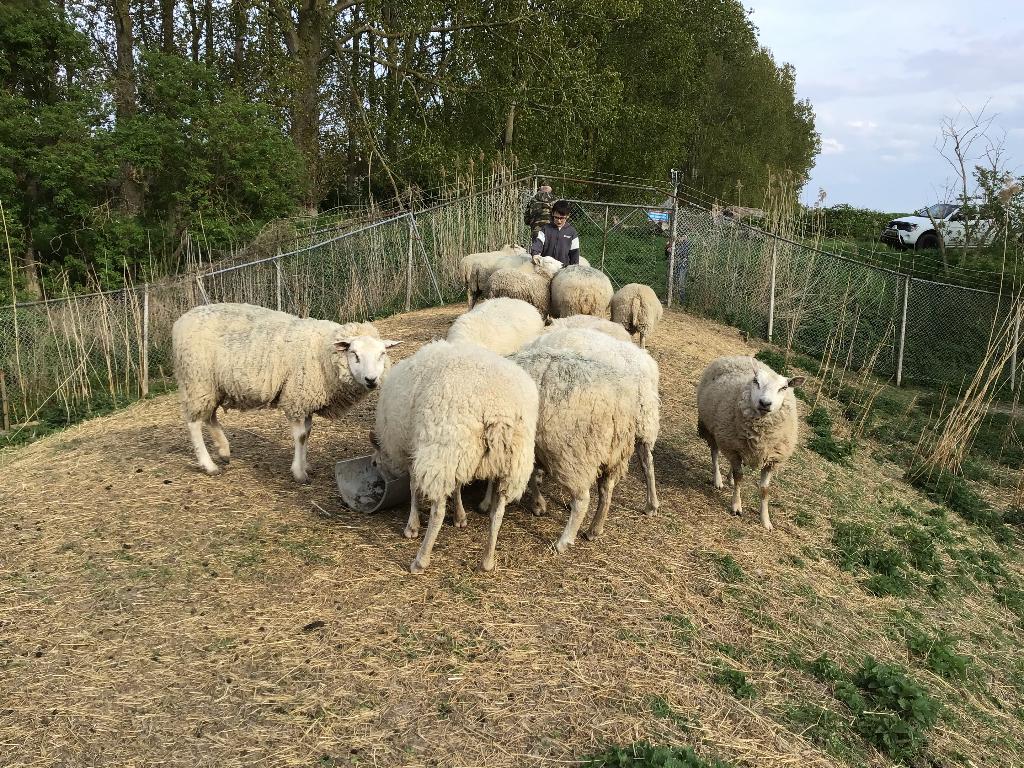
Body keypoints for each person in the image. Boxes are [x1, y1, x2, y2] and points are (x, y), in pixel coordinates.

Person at [530, 199, 581, 267]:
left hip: (563, 269)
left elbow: (575, 252)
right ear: (552, 214)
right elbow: (538, 243)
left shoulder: (572, 232)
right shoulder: (545, 229)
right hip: (546, 268)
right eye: (556, 217)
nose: (559, 221)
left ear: (568, 216)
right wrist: (535, 254)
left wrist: (574, 268)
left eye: (562, 218)